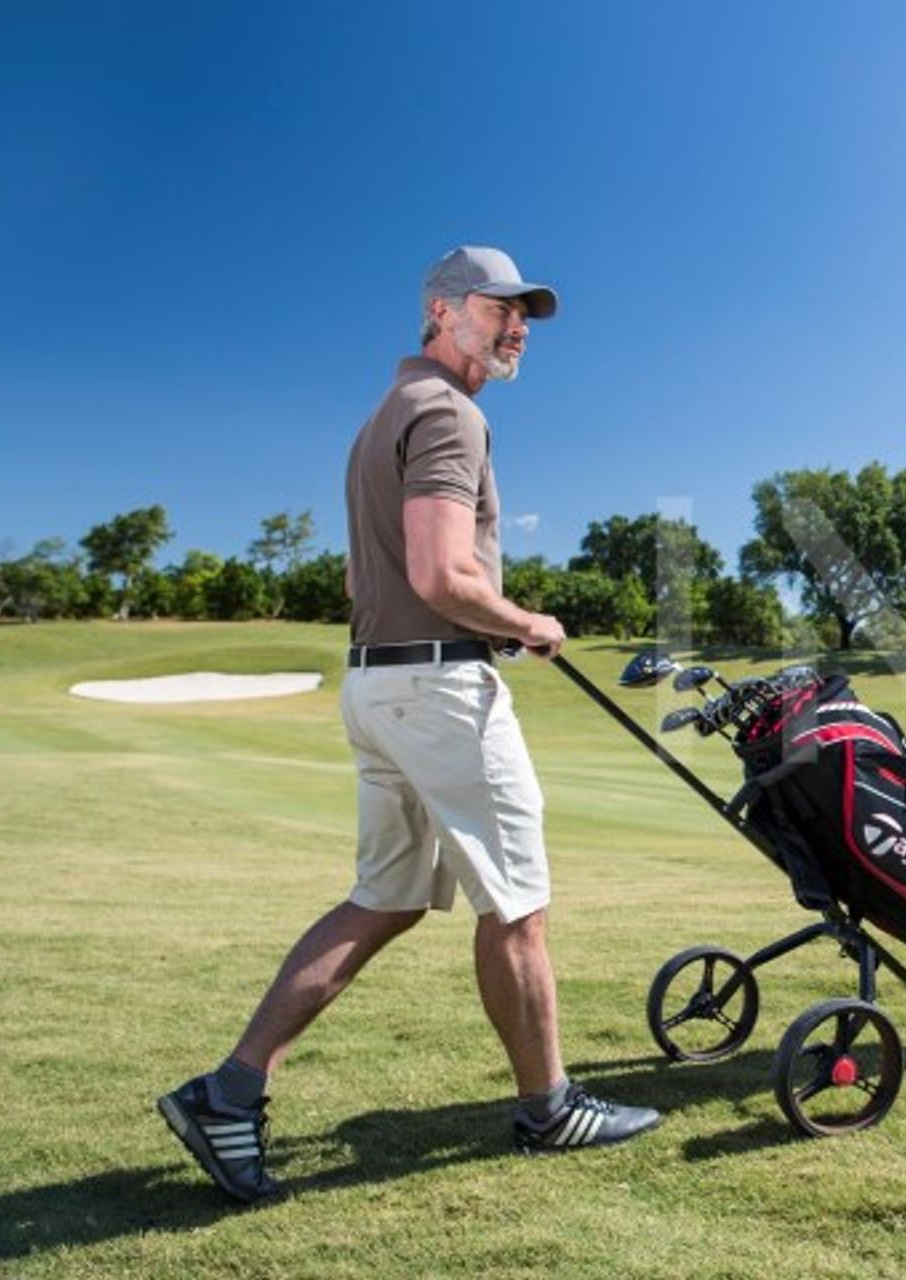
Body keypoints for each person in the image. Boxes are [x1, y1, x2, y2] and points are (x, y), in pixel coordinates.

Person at [158, 245, 660, 1206]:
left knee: (382, 899)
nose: (516, 327)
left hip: (378, 686)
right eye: (498, 308)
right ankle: (549, 1105)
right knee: (516, 903)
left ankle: (228, 1092)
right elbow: (437, 575)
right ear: (440, 311)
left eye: (524, 315)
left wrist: (477, 624)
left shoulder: (380, 419)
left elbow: (367, 582)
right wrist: (527, 623)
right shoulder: (447, 412)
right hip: (438, 694)